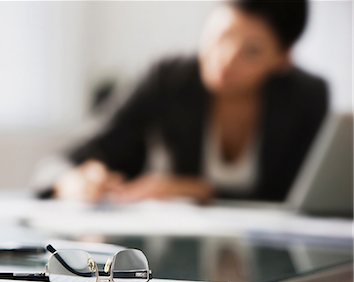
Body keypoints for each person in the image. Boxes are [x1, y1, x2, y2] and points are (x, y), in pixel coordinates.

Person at [35, 0, 328, 204]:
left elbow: (306, 200)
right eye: (222, 35)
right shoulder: (168, 79)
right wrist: (71, 181)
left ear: (283, 59)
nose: (226, 60)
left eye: (251, 51)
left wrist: (202, 192)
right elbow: (59, 162)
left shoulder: (307, 98)